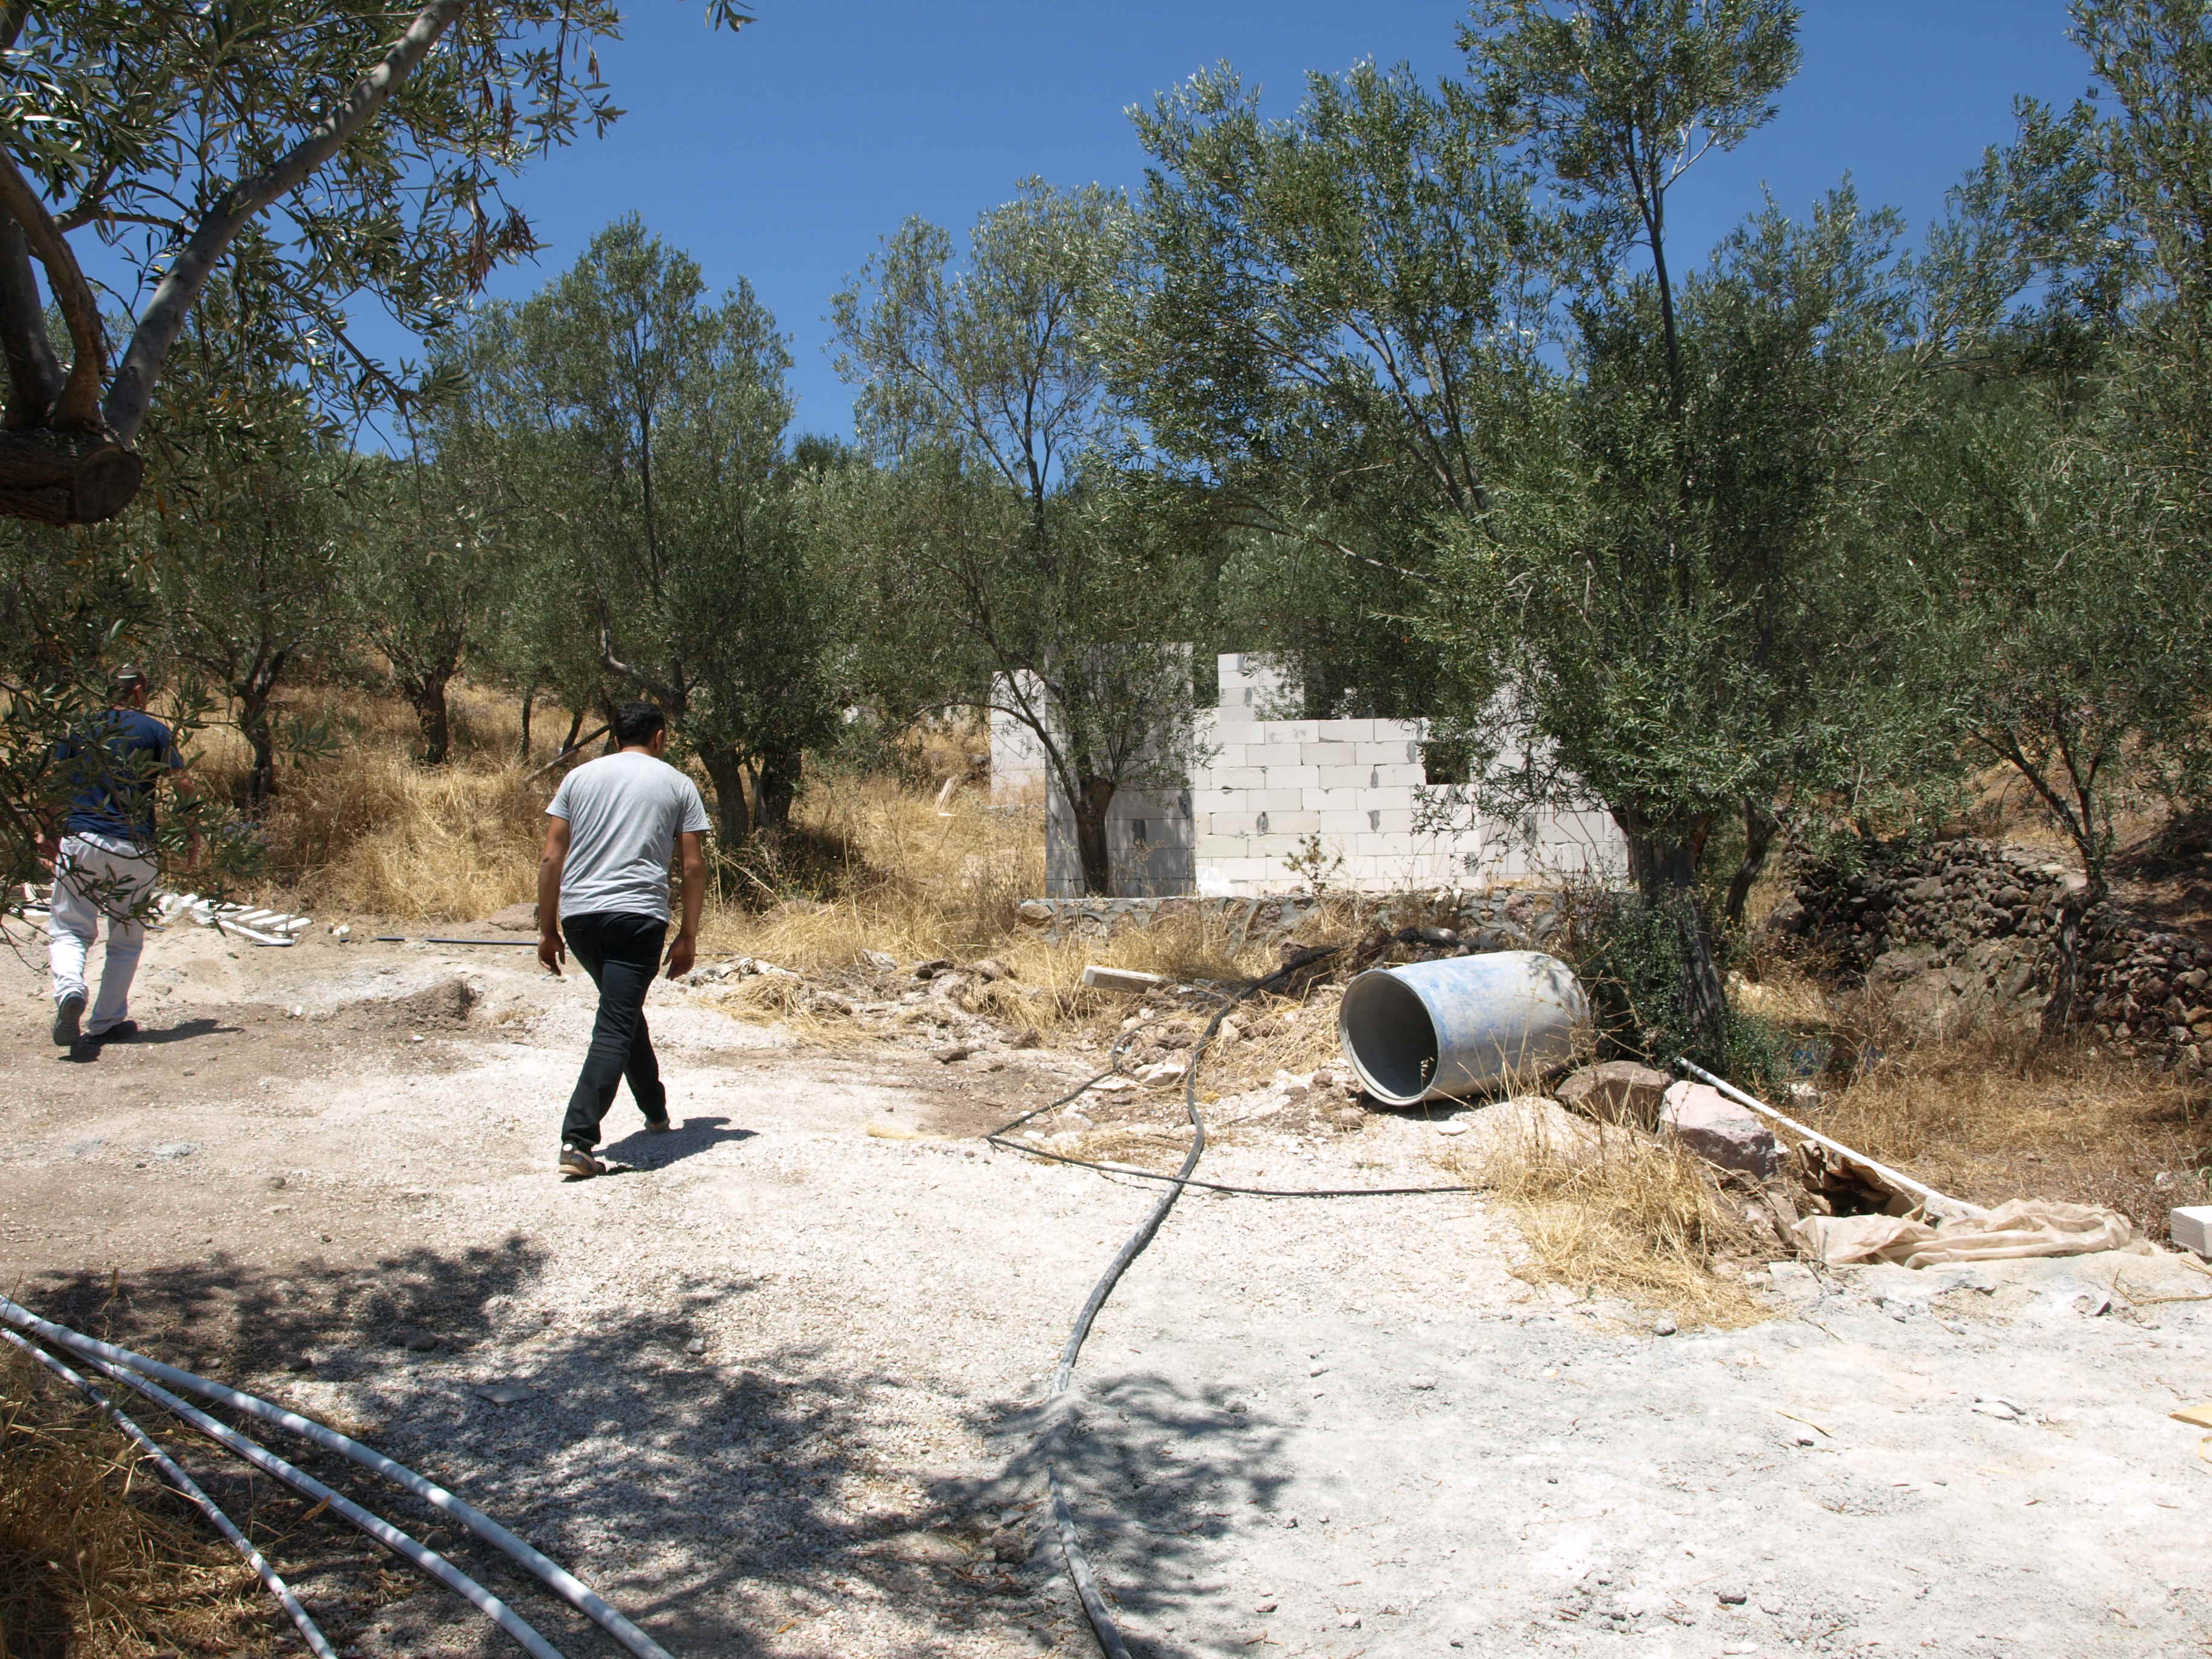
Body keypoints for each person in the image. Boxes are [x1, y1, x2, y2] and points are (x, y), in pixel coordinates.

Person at [537, 700, 709, 1180]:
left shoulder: (579, 779)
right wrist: (688, 935)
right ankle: (578, 1139)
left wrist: (548, 928)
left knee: (622, 1010)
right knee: (615, 1022)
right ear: (659, 738)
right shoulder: (677, 783)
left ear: (615, 738)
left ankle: (655, 1110)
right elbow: (693, 866)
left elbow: (552, 857)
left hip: (580, 918)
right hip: (638, 919)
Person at [42, 665, 199, 1048]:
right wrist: (193, 832)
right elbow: (182, 781)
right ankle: (108, 1021)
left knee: (70, 928)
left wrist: (44, 827)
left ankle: (70, 991)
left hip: (82, 840)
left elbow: (50, 779)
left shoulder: (81, 728)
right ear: (140, 692)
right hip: (134, 845)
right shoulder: (155, 731)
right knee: (126, 937)